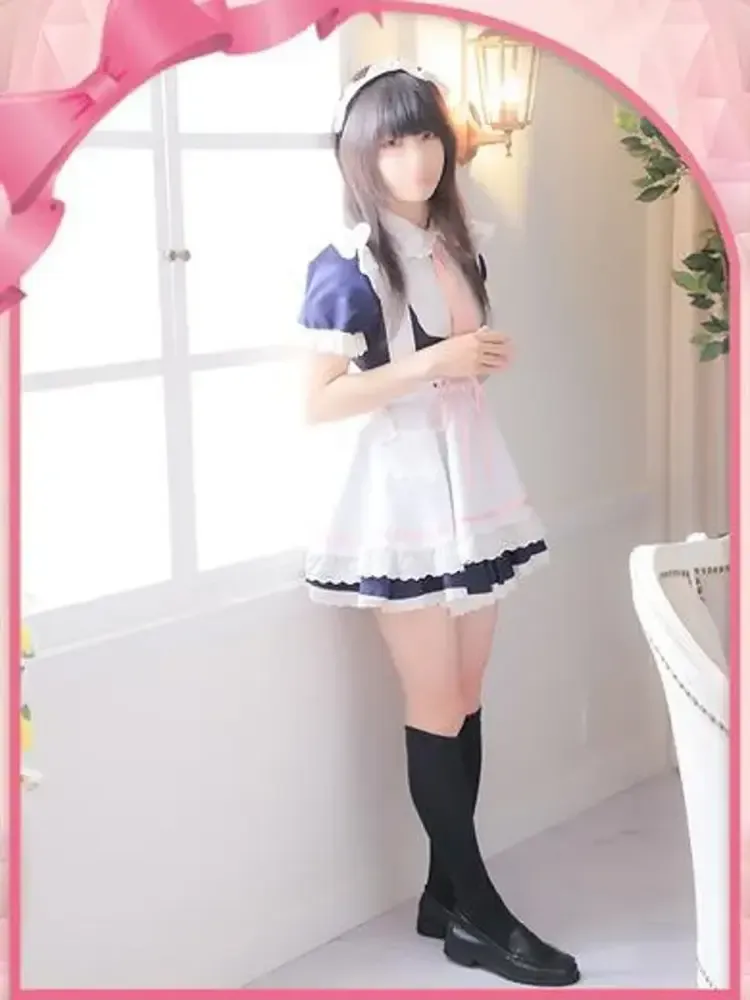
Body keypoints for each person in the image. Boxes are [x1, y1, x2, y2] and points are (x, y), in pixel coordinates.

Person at [296, 59, 580, 987]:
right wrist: (436, 362)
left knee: (466, 689)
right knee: (433, 699)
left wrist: (471, 360)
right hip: (401, 496)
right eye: (392, 142)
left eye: (425, 137)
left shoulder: (459, 243)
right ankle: (482, 916)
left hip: (473, 479)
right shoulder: (346, 262)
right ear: (359, 153)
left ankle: (441, 894)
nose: (415, 159)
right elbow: (319, 401)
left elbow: (457, 356)